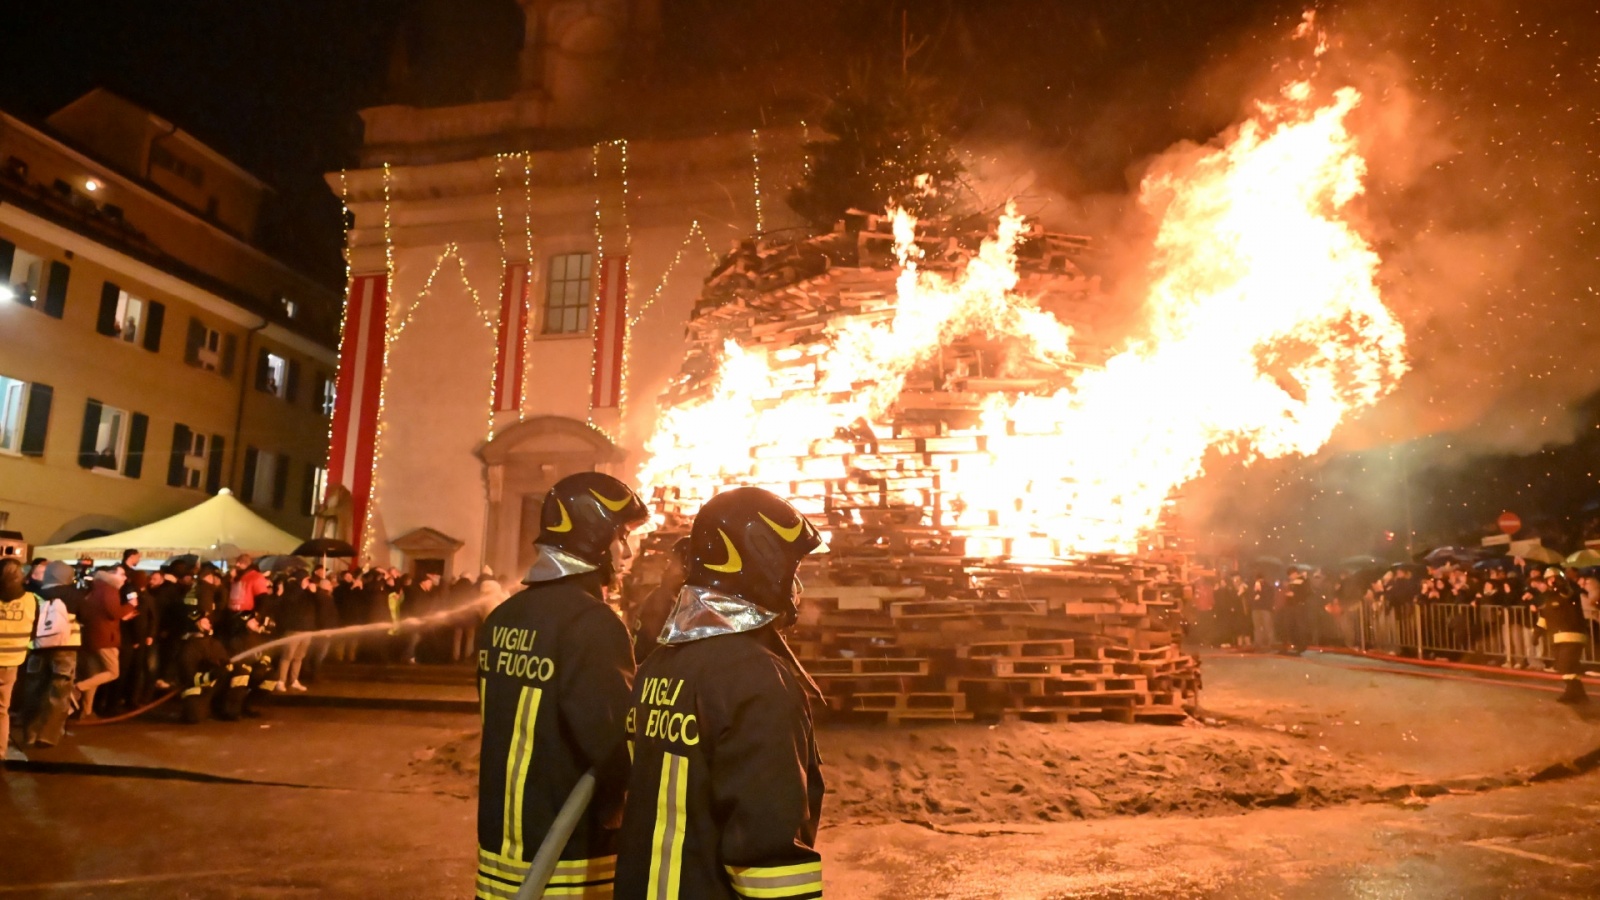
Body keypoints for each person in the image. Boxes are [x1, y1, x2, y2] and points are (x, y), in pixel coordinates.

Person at [615, 487, 826, 900]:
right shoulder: (759, 681)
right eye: (791, 565)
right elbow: (767, 853)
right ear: (760, 563)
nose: (795, 582)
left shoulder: (660, 666)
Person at [475, 472, 647, 900]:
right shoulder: (592, 624)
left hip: (501, 850)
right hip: (567, 860)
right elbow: (615, 747)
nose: (625, 551)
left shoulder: (503, 618)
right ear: (593, 534)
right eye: (620, 536)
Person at [20, 561, 83, 747]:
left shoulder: (33, 595)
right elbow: (88, 618)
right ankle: (47, 736)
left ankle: (29, 734)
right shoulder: (76, 596)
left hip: (38, 648)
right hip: (66, 649)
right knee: (59, 692)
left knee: (33, 690)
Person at [74, 567, 137, 719]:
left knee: (94, 674)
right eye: (121, 574)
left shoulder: (94, 588)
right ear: (111, 575)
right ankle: (77, 688)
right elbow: (114, 612)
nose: (124, 578)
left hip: (92, 636)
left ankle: (86, 711)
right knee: (113, 672)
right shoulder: (109, 590)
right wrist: (131, 605)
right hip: (105, 638)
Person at [0, 557, 40, 759]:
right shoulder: (31, 599)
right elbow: (34, 630)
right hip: (13, 660)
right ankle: (0, 750)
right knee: (2, 709)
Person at [631, 538, 690, 662]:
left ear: (688, 569)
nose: (666, 567)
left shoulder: (688, 604)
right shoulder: (659, 600)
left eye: (672, 562)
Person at [1536, 568, 1589, 704]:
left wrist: (1560, 585)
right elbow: (1545, 617)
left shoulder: (1568, 591)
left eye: (1554, 578)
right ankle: (1579, 692)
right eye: (1549, 579)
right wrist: (1536, 633)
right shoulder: (1549, 597)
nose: (1551, 581)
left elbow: (1568, 593)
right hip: (1558, 637)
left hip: (1572, 636)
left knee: (1566, 665)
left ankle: (1571, 692)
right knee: (1567, 666)